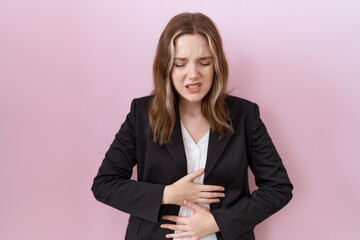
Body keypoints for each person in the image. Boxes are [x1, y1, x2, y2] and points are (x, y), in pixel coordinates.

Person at [91, 12, 293, 240]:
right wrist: (168, 194)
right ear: (166, 67)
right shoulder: (142, 114)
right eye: (180, 63)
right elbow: (105, 184)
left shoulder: (246, 115)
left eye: (204, 62)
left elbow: (279, 188)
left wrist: (218, 221)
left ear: (216, 64)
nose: (193, 74)